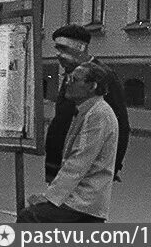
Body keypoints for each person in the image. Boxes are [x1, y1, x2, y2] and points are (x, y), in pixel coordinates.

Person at [17, 64, 119, 223]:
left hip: (84, 201)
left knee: (28, 218)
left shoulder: (98, 114)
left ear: (92, 86)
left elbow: (78, 161)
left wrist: (50, 198)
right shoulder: (88, 109)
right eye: (68, 78)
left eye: (74, 79)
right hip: (78, 196)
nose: (67, 83)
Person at [45, 24, 130, 185]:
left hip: (83, 170)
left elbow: (121, 125)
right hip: (61, 165)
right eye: (57, 49)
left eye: (63, 48)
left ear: (81, 48)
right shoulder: (72, 72)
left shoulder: (102, 75)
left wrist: (114, 165)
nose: (58, 54)